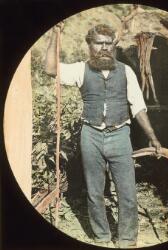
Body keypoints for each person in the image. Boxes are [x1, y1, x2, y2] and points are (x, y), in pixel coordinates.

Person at [45, 23, 161, 248]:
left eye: (109, 44)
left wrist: (152, 137)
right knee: (95, 191)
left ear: (114, 46)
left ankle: (127, 239)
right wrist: (54, 34)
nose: (104, 48)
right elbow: (50, 69)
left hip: (120, 135)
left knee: (127, 191)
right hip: (91, 135)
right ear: (89, 45)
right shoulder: (81, 69)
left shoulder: (126, 72)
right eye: (99, 43)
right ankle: (102, 237)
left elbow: (138, 107)